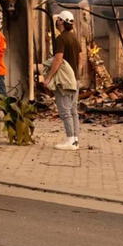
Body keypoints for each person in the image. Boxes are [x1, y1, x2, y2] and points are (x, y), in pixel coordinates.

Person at [44, 10, 83, 151]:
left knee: (64, 110)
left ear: (61, 21)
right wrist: (76, 74)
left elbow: (58, 60)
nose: (57, 21)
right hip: (75, 79)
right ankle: (75, 139)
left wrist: (48, 77)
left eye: (58, 19)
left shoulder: (60, 39)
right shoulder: (74, 38)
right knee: (73, 111)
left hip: (65, 81)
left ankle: (70, 140)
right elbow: (81, 58)